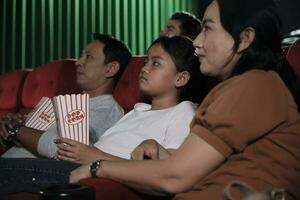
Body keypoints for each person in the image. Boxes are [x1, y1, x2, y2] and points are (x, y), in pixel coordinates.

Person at [69, 0, 300, 199]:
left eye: (207, 29)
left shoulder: (253, 85)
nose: (198, 42)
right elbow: (212, 165)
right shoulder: (244, 87)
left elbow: (175, 177)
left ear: (245, 38)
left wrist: (98, 167)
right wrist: (164, 153)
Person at [0, 35, 201, 196]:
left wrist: (95, 159)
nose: (145, 68)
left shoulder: (183, 111)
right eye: (146, 61)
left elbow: (168, 171)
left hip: (95, 176)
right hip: (83, 166)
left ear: (180, 78)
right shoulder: (137, 111)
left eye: (156, 63)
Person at [0, 33, 132, 158]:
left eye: (88, 57)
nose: (78, 62)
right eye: (81, 56)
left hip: (29, 174)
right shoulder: (65, 103)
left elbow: (64, 149)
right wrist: (8, 128)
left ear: (110, 69)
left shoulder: (107, 110)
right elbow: (20, 141)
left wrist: (17, 131)